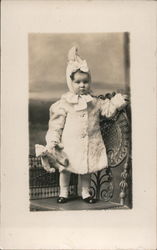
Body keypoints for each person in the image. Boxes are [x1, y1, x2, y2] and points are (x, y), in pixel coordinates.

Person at [45, 47, 128, 204]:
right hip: (69, 144)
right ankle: (63, 193)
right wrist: (53, 140)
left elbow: (108, 110)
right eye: (78, 82)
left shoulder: (94, 101)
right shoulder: (65, 103)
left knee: (86, 168)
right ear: (71, 82)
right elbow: (56, 124)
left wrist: (117, 102)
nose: (82, 85)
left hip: (90, 142)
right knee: (65, 168)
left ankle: (85, 193)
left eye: (85, 81)